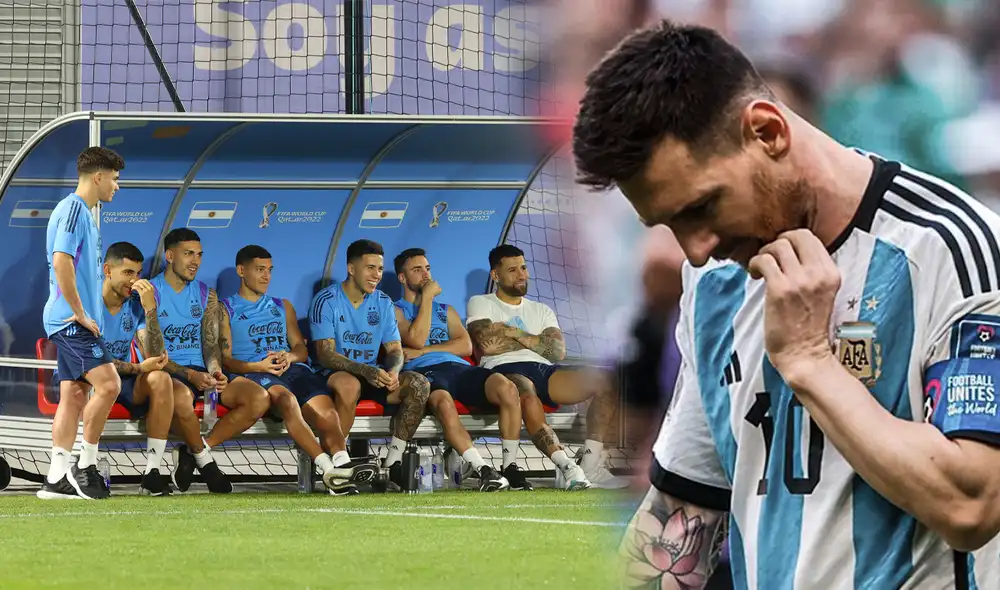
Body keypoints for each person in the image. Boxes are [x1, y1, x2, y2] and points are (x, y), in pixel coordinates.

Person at [573, 20, 1000, 589]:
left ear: (768, 132)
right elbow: (685, 513)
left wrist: (809, 362)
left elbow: (971, 503)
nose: (695, 251)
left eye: (701, 208)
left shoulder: (950, 248)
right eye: (669, 224)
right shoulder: (714, 284)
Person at [220, 245, 379, 495]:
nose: (266, 276)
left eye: (269, 270)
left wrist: (289, 356)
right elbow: (226, 359)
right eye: (259, 270)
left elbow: (300, 349)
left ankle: (342, 464)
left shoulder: (282, 306)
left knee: (327, 414)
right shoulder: (225, 308)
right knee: (286, 400)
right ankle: (328, 469)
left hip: (294, 370)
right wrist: (257, 366)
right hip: (254, 374)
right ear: (241, 271)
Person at [466, 244, 626, 490]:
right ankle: (564, 466)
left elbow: (557, 352)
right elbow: (487, 346)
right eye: (512, 270)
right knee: (528, 395)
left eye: (523, 267)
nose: (522, 275)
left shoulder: (541, 310)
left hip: (544, 371)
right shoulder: (481, 302)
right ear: (495, 276)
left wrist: (514, 332)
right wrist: (537, 341)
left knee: (606, 380)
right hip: (504, 371)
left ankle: (591, 463)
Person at [142, 228, 269, 494]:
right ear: (169, 255)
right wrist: (190, 376)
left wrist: (215, 370)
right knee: (180, 398)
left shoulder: (206, 294)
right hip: (171, 372)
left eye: (199, 255)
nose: (195, 261)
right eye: (188, 254)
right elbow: (152, 353)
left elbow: (210, 344)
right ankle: (205, 461)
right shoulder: (149, 291)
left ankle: (193, 452)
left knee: (258, 398)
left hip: (202, 373)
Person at [38, 147, 125, 501]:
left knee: (74, 394)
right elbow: (61, 263)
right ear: (98, 176)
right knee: (110, 385)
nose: (117, 187)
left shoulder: (85, 214)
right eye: (116, 180)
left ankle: (56, 477)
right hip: (71, 321)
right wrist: (81, 312)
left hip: (72, 321)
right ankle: (85, 465)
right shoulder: (74, 209)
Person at [309, 239, 431, 484]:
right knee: (349, 385)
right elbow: (325, 353)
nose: (376, 275)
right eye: (370, 268)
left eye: (379, 269)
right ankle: (337, 465)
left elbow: (395, 349)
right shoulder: (327, 299)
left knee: (419, 384)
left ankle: (392, 463)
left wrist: (394, 371)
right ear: (351, 269)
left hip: (372, 374)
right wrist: (363, 370)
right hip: (333, 373)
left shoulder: (383, 302)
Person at [392, 248, 511, 491]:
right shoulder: (395, 310)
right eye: (417, 270)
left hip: (460, 369)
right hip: (426, 373)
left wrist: (426, 350)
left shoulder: (446, 310)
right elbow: (415, 339)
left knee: (506, 386)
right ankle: (483, 470)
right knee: (443, 403)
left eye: (427, 269)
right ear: (402, 278)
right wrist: (426, 298)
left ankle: (511, 467)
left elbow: (465, 345)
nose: (425, 275)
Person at [99, 242, 174, 496]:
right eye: (128, 273)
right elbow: (94, 361)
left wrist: (150, 308)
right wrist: (138, 367)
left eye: (138, 274)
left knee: (161, 380)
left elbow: (154, 353)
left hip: (124, 379)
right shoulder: (89, 303)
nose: (134, 281)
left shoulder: (135, 304)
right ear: (108, 270)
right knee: (98, 381)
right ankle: (84, 467)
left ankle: (152, 473)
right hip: (91, 378)